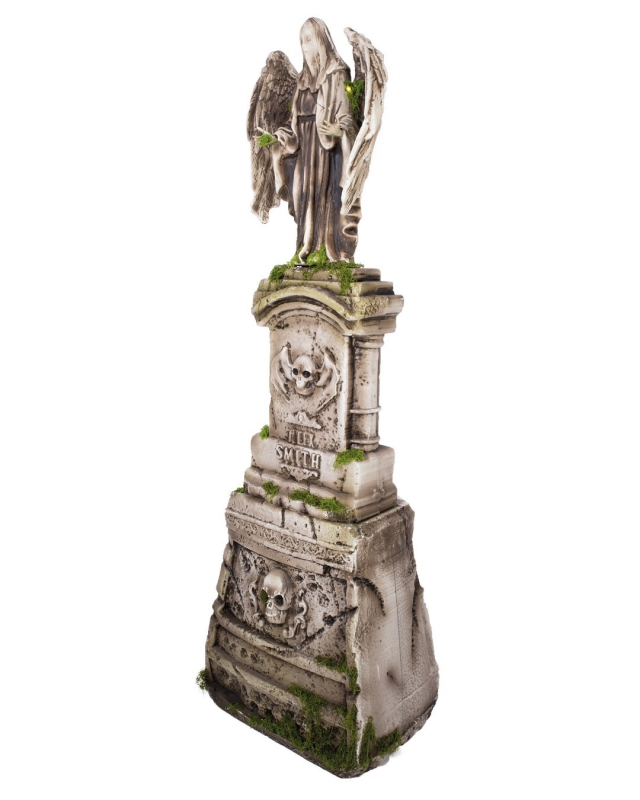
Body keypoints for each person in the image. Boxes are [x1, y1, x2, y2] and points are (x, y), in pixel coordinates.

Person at [274, 18, 361, 263]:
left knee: (326, 198)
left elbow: (348, 118)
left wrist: (338, 130)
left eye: (309, 40)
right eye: (301, 41)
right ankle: (307, 248)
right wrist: (284, 138)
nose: (304, 46)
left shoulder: (337, 74)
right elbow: (293, 124)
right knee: (303, 197)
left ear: (321, 41)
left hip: (327, 153)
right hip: (305, 153)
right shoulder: (302, 81)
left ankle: (328, 250)